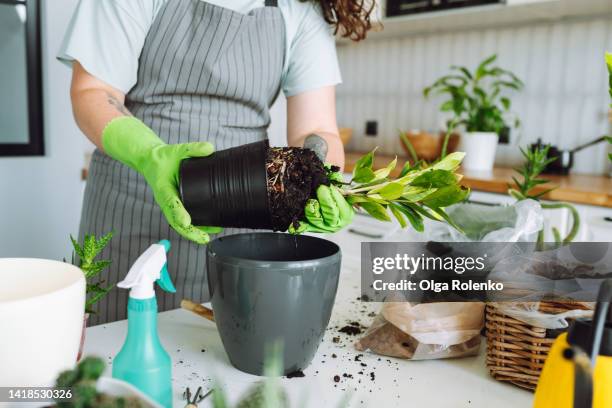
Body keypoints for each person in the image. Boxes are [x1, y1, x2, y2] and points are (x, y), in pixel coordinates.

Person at [59, 0, 373, 324]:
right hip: (132, 201)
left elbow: (316, 129)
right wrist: (150, 156)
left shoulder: (300, 10)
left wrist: (319, 180)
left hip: (242, 208)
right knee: (117, 343)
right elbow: (93, 92)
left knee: (220, 353)